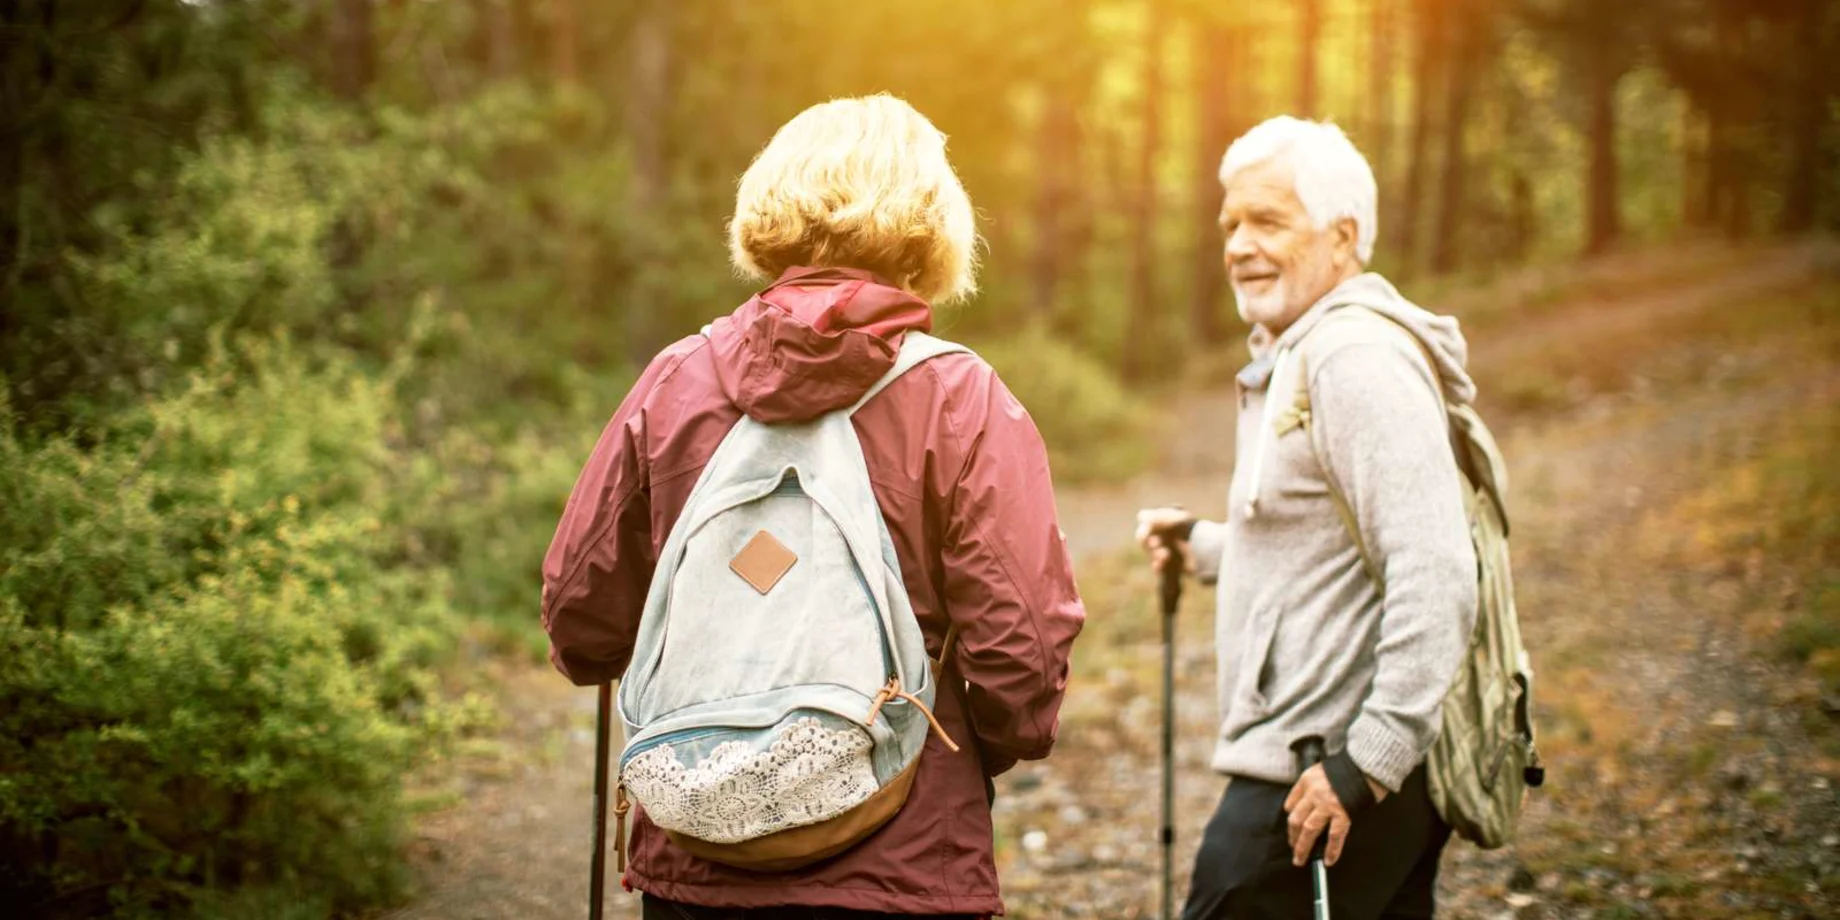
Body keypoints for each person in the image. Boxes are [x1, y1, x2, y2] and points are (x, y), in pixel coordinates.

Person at [541, 94, 1085, 920]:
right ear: (930, 224)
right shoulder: (959, 397)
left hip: (696, 854)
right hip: (902, 859)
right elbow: (1023, 655)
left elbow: (582, 625)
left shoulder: (675, 383)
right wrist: (968, 747)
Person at [1136, 116, 1480, 920]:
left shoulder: (1352, 358)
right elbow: (1330, 537)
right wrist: (1209, 548)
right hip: (1335, 772)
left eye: (1268, 220)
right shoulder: (1301, 350)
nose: (1239, 246)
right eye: (1229, 225)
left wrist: (1367, 764)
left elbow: (1436, 567)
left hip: (1323, 777)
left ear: (1343, 235)